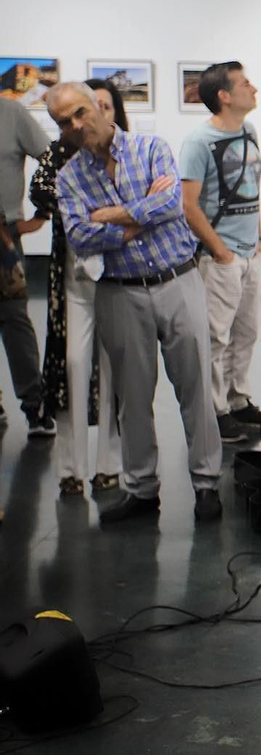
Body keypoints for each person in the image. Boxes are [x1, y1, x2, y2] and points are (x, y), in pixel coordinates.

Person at [45, 81, 221, 525]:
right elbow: (80, 236)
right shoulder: (69, 178)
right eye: (63, 122)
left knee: (196, 388)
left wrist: (109, 215)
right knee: (132, 397)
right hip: (119, 292)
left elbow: (171, 204)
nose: (76, 125)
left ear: (100, 108)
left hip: (178, 281)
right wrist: (140, 212)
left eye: (81, 112)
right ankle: (141, 489)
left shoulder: (150, 148)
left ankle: (206, 484)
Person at [30, 79, 129, 495]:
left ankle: (110, 464)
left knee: (114, 371)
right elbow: (40, 190)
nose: (79, 122)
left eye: (99, 107)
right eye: (64, 119)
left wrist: (92, 209)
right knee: (71, 366)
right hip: (70, 276)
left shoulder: (127, 152)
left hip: (118, 275)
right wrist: (100, 210)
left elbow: (144, 201)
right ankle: (70, 467)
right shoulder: (59, 153)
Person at [180, 61, 261, 444]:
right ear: (224, 96)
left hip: (250, 252)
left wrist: (259, 239)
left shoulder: (249, 131)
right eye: (245, 83)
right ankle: (216, 411)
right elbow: (188, 205)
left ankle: (238, 399)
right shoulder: (199, 142)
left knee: (246, 332)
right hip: (220, 257)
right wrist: (220, 252)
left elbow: (253, 187)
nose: (254, 88)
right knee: (216, 337)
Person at [0, 91, 54, 437]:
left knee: (14, 320)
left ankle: (34, 405)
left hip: (3, 237)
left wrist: (41, 213)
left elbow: (51, 159)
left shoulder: (11, 114)